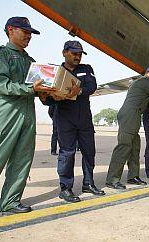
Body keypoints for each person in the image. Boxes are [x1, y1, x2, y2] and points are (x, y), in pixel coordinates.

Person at [0, 17, 55, 213]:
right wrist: (30, 88)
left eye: (31, 33)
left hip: (27, 114)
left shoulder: (31, 62)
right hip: (6, 114)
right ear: (11, 30)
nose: (29, 36)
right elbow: (1, 85)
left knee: (22, 159)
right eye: (25, 31)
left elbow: (38, 90)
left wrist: (51, 92)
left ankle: (10, 201)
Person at [45, 40, 105, 203]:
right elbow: (48, 99)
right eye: (74, 53)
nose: (78, 56)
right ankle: (65, 188)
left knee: (89, 152)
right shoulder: (57, 72)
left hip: (84, 118)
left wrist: (79, 91)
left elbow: (92, 86)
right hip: (65, 118)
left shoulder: (86, 69)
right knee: (67, 153)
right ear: (64, 53)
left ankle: (88, 183)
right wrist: (51, 96)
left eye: (80, 54)